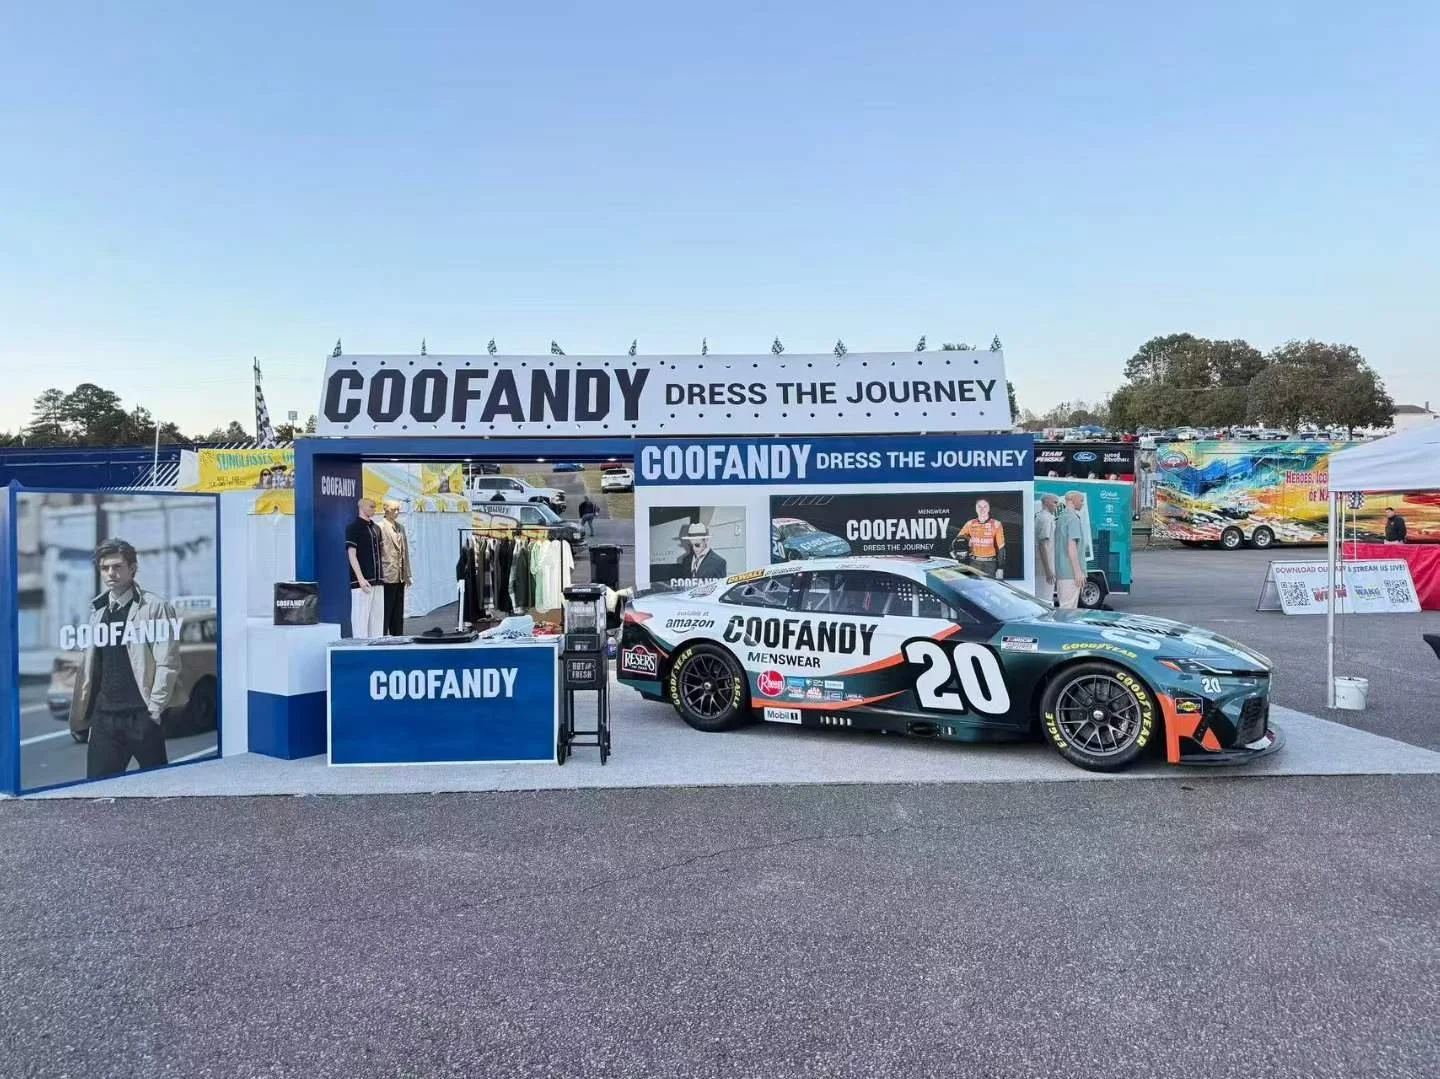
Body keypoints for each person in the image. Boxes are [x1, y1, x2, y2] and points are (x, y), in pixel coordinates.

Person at [68, 538, 181, 779]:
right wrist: (87, 714)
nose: (111, 573)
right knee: (97, 787)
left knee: (156, 786)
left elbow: (168, 663)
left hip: (142, 715)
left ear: (132, 568)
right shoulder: (98, 611)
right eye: (105, 568)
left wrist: (155, 710)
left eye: (117, 566)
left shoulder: (155, 607)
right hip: (104, 717)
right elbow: (92, 667)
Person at [345, 498, 386, 637]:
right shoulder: (353, 528)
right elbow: (352, 554)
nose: (374, 509)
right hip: (362, 581)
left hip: (378, 580)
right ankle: (359, 646)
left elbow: (380, 553)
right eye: (371, 506)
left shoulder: (376, 528)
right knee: (360, 620)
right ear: (361, 507)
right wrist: (360, 579)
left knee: (377, 620)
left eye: (375, 506)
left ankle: (377, 646)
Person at [377, 500, 413, 636]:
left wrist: (407, 574)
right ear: (386, 510)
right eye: (394, 510)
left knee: (398, 611)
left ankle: (398, 636)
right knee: (386, 609)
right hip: (387, 574)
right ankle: (382, 636)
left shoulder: (400, 527)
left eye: (398, 510)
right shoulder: (379, 527)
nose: (396, 512)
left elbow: (405, 551)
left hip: (400, 575)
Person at [958, 499, 1007, 579]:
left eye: (985, 507)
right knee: (973, 585)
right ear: (975, 508)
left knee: (990, 585)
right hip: (974, 562)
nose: (982, 509)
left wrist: (1000, 568)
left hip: (990, 564)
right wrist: (967, 539)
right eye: (979, 507)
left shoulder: (996, 524)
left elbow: (1001, 548)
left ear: (989, 508)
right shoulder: (970, 523)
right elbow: (958, 540)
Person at [1055, 491, 1088, 609]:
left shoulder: (1061, 519)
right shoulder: (1073, 519)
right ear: (1073, 500)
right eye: (1081, 500)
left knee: (1065, 607)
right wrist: (1078, 572)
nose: (1083, 503)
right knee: (1069, 611)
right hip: (1071, 574)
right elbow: (1072, 546)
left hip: (1061, 572)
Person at [1034, 493, 1059, 605]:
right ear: (1046, 502)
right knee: (1045, 601)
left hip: (1042, 567)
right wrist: (1048, 571)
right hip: (1044, 569)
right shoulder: (1046, 519)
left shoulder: (1040, 517)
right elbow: (1042, 545)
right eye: (1055, 502)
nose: (1057, 505)